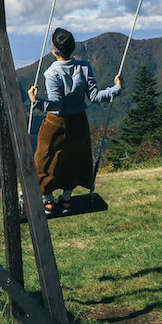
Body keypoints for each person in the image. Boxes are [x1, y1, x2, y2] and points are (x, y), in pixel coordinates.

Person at [27, 28, 123, 211]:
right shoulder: (84, 67)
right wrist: (116, 89)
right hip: (79, 121)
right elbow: (94, 96)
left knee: (44, 159)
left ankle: (48, 200)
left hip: (56, 123)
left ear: (53, 49)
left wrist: (35, 101)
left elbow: (56, 104)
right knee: (75, 158)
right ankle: (65, 199)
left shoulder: (51, 73)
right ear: (72, 47)